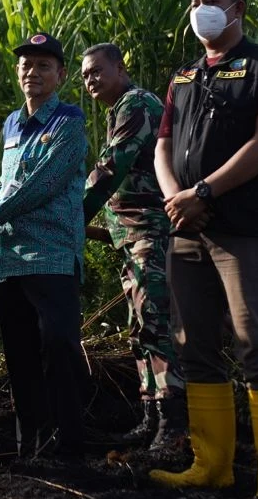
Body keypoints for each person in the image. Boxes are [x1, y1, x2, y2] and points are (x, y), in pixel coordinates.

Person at [148, 0, 258, 499]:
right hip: (186, 229)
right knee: (195, 348)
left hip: (244, 231)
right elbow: (162, 147)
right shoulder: (184, 77)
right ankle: (212, 465)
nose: (200, 10)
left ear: (237, 9)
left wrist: (204, 194)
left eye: (210, 1)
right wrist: (176, 198)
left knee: (257, 345)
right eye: (194, 2)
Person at [0, 31, 90, 459]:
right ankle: (32, 449)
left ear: (60, 74)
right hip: (10, 262)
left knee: (59, 347)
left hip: (53, 258)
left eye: (44, 65)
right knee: (20, 357)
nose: (33, 72)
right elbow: (5, 186)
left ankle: (71, 445)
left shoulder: (69, 122)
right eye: (26, 64)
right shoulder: (11, 124)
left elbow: (36, 186)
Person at [79, 42, 186, 452]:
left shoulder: (137, 103)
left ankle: (174, 427)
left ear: (121, 68)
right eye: (85, 74)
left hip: (151, 233)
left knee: (157, 325)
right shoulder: (119, 108)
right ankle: (152, 417)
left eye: (97, 71)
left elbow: (112, 166)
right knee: (141, 328)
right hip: (131, 237)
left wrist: (74, 214)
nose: (90, 79)